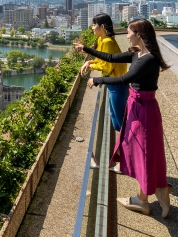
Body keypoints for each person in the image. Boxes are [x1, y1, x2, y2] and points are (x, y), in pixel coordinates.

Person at [74, 18, 172, 218]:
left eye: (129, 33)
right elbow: (110, 57)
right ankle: (155, 189)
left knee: (143, 151)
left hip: (144, 109)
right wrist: (87, 50)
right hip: (138, 107)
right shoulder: (137, 53)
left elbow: (125, 79)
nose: (126, 36)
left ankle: (143, 199)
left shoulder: (148, 59)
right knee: (138, 149)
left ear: (139, 35)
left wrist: (98, 79)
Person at [79, 13, 128, 171]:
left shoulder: (107, 41)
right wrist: (90, 62)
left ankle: (126, 162)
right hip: (112, 84)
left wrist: (91, 65)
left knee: (120, 123)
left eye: (95, 25)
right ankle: (121, 159)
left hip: (118, 84)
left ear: (102, 27)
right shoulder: (101, 40)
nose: (92, 27)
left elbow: (107, 67)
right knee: (115, 121)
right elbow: (102, 60)